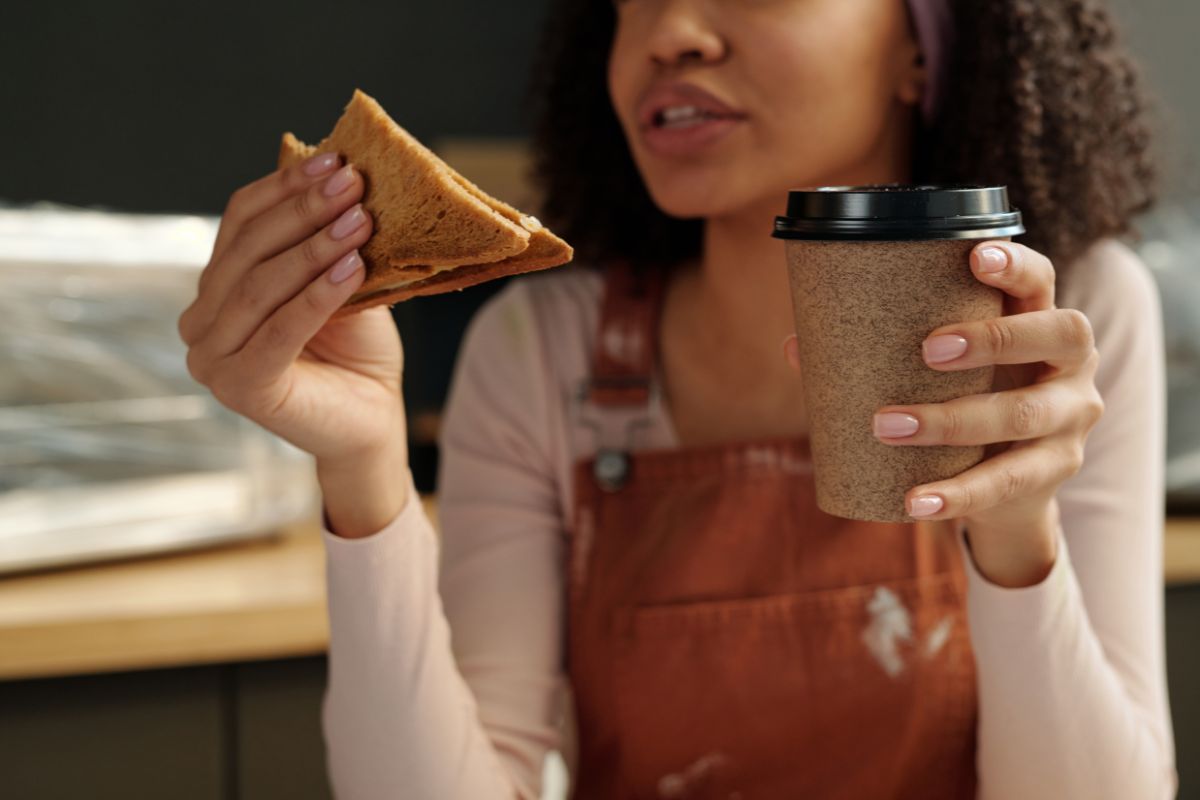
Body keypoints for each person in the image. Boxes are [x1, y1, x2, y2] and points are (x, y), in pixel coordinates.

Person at [178, 0, 1178, 797]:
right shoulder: (540, 350)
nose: (669, 33)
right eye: (632, 0)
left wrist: (1015, 536)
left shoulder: (1065, 315)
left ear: (921, 46)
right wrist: (363, 471)